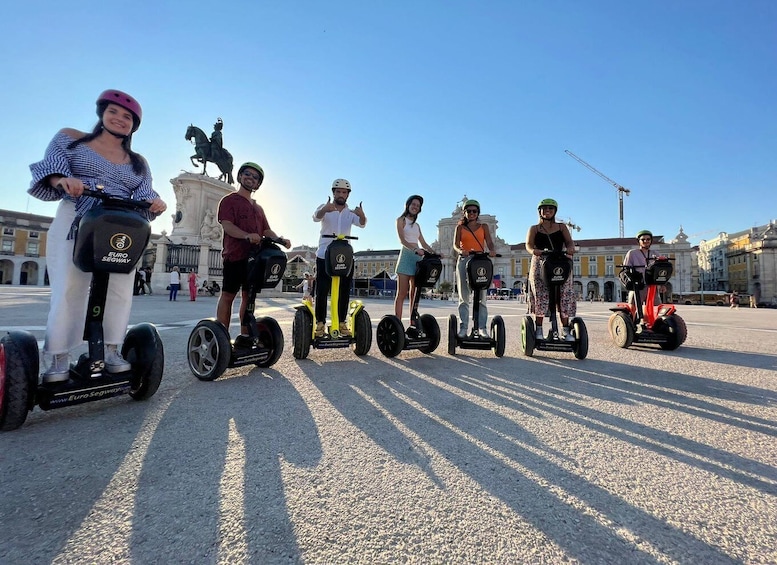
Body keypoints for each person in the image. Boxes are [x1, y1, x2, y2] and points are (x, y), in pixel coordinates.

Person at [27, 89, 167, 382]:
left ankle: (112, 349)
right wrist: (63, 180)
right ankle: (58, 355)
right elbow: (53, 169)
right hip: (78, 214)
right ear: (102, 113)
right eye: (114, 112)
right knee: (70, 285)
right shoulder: (71, 137)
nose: (120, 119)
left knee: (120, 286)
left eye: (127, 116)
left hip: (120, 222)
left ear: (133, 125)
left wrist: (156, 202)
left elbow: (144, 192)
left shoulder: (137, 161)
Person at [216, 162, 290, 337]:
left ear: (258, 184)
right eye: (247, 174)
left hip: (255, 258)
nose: (250, 178)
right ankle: (222, 336)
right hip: (235, 256)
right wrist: (246, 235)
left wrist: (280, 240)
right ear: (240, 176)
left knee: (248, 297)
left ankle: (245, 336)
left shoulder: (258, 208)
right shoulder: (229, 200)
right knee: (228, 295)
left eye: (255, 177)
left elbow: (265, 230)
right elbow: (227, 225)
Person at [312, 179, 367, 337]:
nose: (341, 194)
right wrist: (324, 209)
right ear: (333, 193)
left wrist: (362, 215)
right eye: (338, 192)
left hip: (344, 256)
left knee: (344, 290)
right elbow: (316, 217)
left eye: (344, 192)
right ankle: (320, 323)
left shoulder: (351, 213)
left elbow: (362, 224)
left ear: (348, 195)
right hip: (324, 254)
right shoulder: (325, 208)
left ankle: (342, 322)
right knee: (322, 290)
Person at [525, 198, 576, 341]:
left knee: (564, 294)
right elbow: (528, 245)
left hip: (559, 261)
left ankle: (565, 330)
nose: (547, 211)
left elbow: (569, 242)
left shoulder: (561, 227)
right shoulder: (534, 228)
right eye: (544, 209)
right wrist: (534, 251)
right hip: (541, 261)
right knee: (541, 295)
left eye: (550, 209)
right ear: (540, 211)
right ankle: (539, 329)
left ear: (555, 211)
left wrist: (570, 248)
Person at [452, 199, 496, 338]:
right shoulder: (459, 227)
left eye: (474, 211)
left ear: (478, 213)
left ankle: (482, 328)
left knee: (482, 297)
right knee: (463, 297)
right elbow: (455, 244)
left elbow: (489, 241)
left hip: (479, 260)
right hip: (464, 260)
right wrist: (460, 250)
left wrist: (492, 250)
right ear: (464, 213)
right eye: (468, 211)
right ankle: (463, 327)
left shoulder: (484, 226)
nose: (471, 213)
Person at [394, 195, 436, 325]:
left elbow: (423, 243)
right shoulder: (401, 220)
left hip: (417, 258)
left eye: (418, 206)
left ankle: (412, 322)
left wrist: (435, 253)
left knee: (414, 293)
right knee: (402, 293)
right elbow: (402, 240)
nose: (415, 207)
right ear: (408, 205)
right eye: (413, 204)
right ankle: (398, 323)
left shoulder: (417, 225)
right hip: (407, 255)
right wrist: (414, 250)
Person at [623, 230, 662, 308]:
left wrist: (662, 285)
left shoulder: (655, 254)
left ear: (651, 241)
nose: (645, 241)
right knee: (633, 308)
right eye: (643, 239)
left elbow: (660, 271)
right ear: (639, 241)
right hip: (638, 285)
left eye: (648, 239)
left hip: (652, 286)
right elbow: (626, 269)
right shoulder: (632, 253)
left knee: (656, 308)